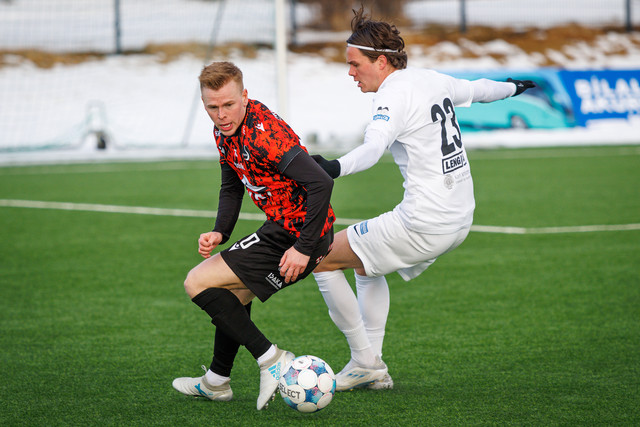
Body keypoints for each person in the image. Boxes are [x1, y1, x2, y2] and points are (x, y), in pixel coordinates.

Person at [311, 8, 535, 391]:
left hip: (425, 222)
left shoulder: (392, 96)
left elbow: (372, 149)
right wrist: (512, 87)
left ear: (381, 62)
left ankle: (364, 360)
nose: (350, 73)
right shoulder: (430, 79)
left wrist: (332, 168)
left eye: (354, 64)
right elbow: (480, 90)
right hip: (460, 217)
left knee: (321, 256)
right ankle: (372, 366)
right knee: (366, 266)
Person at [172, 61, 336, 410]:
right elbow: (232, 183)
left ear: (244, 96)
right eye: (212, 107)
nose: (221, 115)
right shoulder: (224, 130)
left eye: (229, 104)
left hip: (301, 235)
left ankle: (270, 358)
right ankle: (216, 382)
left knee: (196, 282)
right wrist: (220, 231)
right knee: (233, 292)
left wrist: (303, 248)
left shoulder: (264, 135)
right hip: (284, 230)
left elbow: (321, 182)